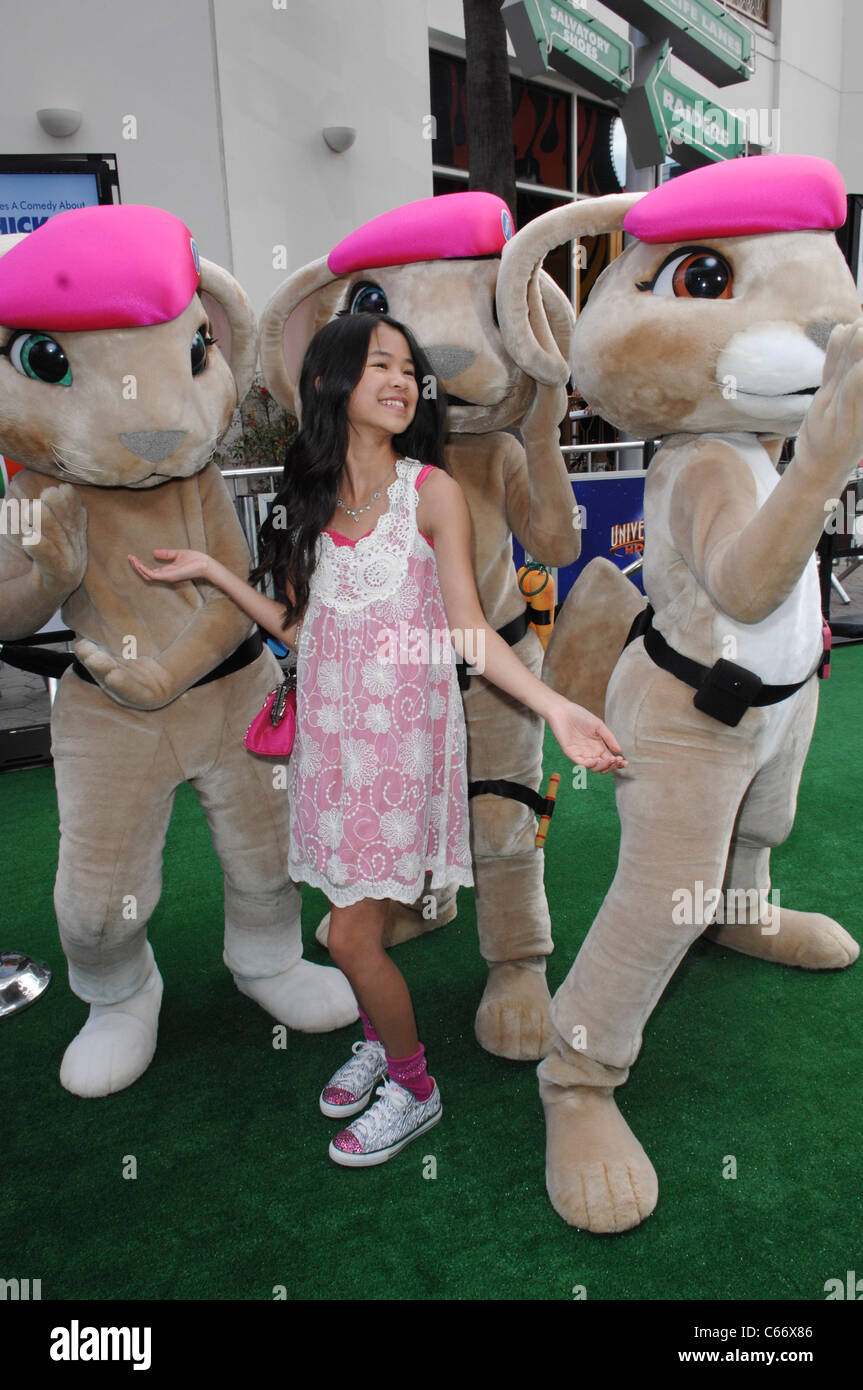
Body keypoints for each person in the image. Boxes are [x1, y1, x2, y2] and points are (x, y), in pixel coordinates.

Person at [129, 312, 626, 1168]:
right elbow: (295, 623)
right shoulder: (307, 498)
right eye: (378, 366)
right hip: (330, 745)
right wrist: (215, 572)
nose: (402, 382)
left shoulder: (429, 492)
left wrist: (553, 708)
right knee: (343, 913)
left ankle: (414, 1086)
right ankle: (377, 1043)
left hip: (400, 752)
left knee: (354, 938)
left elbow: (469, 631)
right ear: (329, 383)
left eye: (408, 369)